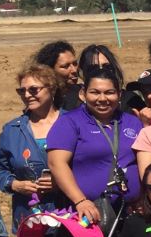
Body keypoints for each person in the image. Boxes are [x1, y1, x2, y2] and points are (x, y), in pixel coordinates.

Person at [47, 65, 142, 226]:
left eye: (109, 92)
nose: (102, 98)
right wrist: (80, 200)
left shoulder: (133, 122)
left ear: (119, 95)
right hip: (89, 213)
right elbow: (56, 163)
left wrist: (143, 198)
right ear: (83, 94)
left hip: (131, 212)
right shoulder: (70, 122)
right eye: (95, 92)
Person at [0, 64, 60, 232]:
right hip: (30, 218)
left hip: (68, 215)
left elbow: (90, 166)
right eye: (22, 91)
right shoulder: (12, 130)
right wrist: (14, 185)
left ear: (51, 89)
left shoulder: (73, 124)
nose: (27, 95)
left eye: (33, 89)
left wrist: (62, 183)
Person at [34, 40, 80, 110]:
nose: (74, 70)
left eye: (75, 64)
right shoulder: (40, 99)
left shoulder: (85, 95)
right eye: (66, 66)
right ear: (49, 70)